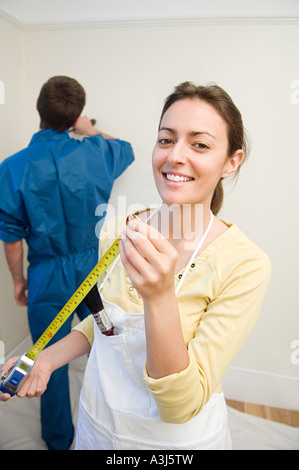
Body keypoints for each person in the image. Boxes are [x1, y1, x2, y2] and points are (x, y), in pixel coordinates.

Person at [0, 81, 271, 450]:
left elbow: (180, 406)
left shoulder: (245, 265)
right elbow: (105, 323)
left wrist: (159, 298)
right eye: (165, 139)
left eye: (200, 144)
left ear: (231, 162)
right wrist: (46, 359)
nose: (175, 155)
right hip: (97, 424)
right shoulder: (120, 227)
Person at [0, 75, 134, 450]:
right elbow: (125, 148)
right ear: (75, 116)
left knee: (48, 363)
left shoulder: (12, 167)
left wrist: (18, 281)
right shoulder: (97, 152)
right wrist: (89, 128)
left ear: (39, 109)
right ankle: (116, 428)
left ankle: (59, 442)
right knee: (110, 347)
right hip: (96, 270)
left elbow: (11, 239)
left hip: (46, 274)